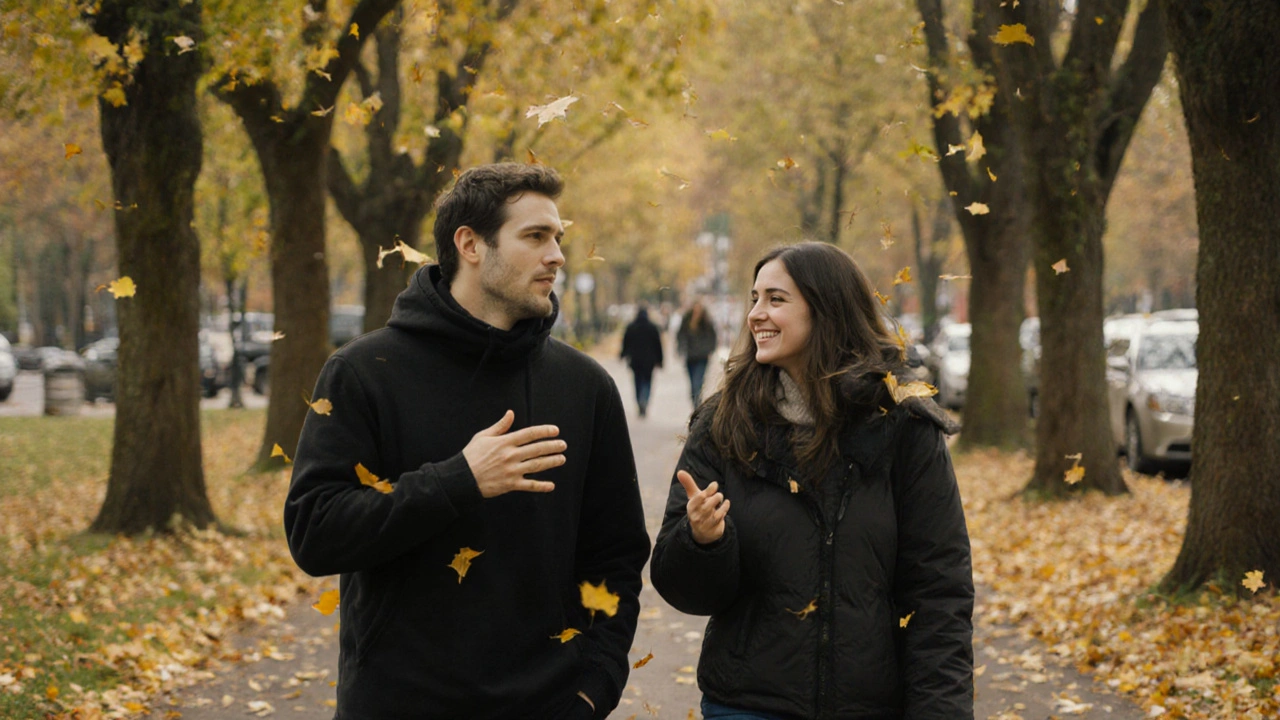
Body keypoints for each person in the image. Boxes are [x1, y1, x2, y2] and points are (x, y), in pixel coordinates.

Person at [284, 163, 650, 720]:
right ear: (470, 244)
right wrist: (459, 480)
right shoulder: (363, 372)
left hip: (548, 704)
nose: (557, 255)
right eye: (535, 237)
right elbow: (315, 533)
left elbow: (615, 556)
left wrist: (594, 687)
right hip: (396, 703)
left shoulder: (585, 387)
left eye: (558, 238)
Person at [650, 241, 974, 720]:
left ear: (828, 310)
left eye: (776, 299)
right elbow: (684, 590)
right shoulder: (725, 423)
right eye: (754, 299)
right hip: (748, 705)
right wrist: (702, 542)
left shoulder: (902, 425)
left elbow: (939, 591)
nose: (756, 314)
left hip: (872, 706)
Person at [619, 304, 664, 417]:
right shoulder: (652, 327)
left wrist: (623, 354)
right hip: (649, 361)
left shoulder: (631, 326)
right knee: (647, 382)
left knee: (637, 382)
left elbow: (626, 342)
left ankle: (640, 400)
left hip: (635, 360)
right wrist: (660, 360)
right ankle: (645, 400)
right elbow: (658, 345)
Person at [676, 299, 718, 407]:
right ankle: (695, 400)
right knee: (692, 382)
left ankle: (697, 403)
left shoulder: (706, 322)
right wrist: (682, 349)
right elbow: (681, 336)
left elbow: (712, 337)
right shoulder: (686, 320)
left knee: (697, 381)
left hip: (702, 356)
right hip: (690, 356)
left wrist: (710, 350)